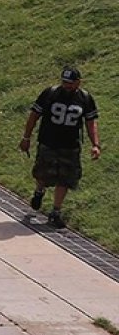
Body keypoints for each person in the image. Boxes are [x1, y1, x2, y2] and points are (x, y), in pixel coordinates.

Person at [19, 67, 101, 228]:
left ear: (78, 82)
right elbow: (34, 116)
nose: (67, 86)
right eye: (64, 82)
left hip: (70, 146)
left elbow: (90, 123)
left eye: (70, 83)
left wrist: (95, 144)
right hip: (48, 142)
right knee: (42, 174)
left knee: (65, 179)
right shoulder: (50, 93)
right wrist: (26, 137)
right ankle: (39, 191)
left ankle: (55, 212)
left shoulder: (84, 98)